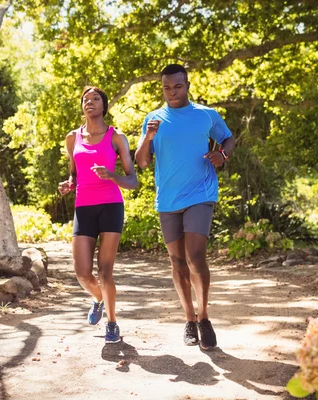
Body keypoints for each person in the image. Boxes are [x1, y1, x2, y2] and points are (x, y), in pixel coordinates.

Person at [135, 64, 235, 350]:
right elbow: (142, 161)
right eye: (167, 87)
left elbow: (228, 137)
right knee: (177, 262)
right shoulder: (153, 119)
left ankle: (204, 317)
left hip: (200, 193)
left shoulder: (206, 115)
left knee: (195, 256)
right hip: (167, 200)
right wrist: (148, 137)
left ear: (187, 84)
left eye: (177, 86)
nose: (172, 92)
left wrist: (223, 154)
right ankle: (189, 320)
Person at [58, 86, 138, 344]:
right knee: (82, 273)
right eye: (85, 99)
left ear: (104, 105)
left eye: (95, 99)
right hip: (84, 207)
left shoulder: (117, 138)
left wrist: (113, 176)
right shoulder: (73, 138)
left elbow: (133, 181)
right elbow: (74, 172)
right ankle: (98, 299)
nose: (89, 102)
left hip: (111, 205)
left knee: (105, 272)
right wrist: (69, 183)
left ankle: (112, 323)